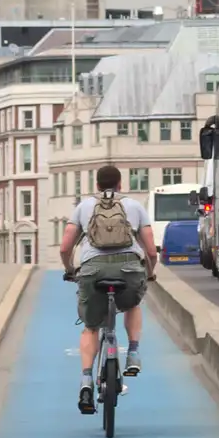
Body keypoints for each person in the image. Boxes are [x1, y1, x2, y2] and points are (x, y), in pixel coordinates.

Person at [59, 164, 157, 415]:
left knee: (91, 326)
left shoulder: (83, 207)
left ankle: (86, 381)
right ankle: (133, 354)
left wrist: (70, 270)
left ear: (97, 185)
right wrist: (149, 272)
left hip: (93, 271)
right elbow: (151, 251)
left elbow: (64, 247)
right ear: (120, 184)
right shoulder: (134, 206)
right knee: (133, 304)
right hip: (129, 270)